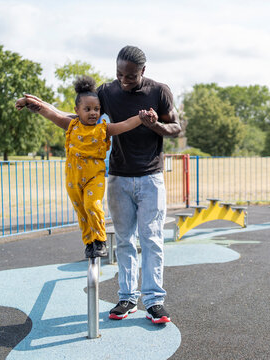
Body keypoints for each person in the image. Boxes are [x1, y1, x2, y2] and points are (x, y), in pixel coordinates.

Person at [15, 46, 181, 324]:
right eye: (119, 74)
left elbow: (176, 127)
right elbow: (79, 117)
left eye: (130, 75)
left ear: (143, 71)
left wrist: (155, 125)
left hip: (151, 176)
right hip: (118, 176)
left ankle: (154, 301)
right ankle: (127, 298)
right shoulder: (107, 91)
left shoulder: (159, 92)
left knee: (151, 240)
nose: (124, 80)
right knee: (125, 241)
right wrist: (41, 106)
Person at [16, 75, 155, 258]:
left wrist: (141, 117)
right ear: (77, 110)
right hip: (73, 178)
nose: (93, 113)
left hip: (93, 177)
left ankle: (100, 240)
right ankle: (89, 243)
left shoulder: (104, 129)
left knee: (93, 205)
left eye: (96, 109)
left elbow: (125, 124)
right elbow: (49, 112)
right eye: (87, 109)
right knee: (81, 211)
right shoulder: (70, 125)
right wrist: (27, 101)